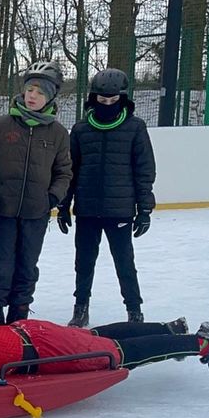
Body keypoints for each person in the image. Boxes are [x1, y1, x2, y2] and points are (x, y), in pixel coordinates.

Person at [58, 68, 157, 327]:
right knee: (84, 262)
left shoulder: (135, 128)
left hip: (120, 210)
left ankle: (134, 310)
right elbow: (70, 170)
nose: (108, 105)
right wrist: (64, 205)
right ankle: (81, 308)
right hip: (88, 210)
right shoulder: (80, 130)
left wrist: (144, 209)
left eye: (114, 101)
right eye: (103, 101)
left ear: (123, 99)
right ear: (93, 99)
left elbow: (144, 171)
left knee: (125, 262)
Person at [0, 61, 73, 325]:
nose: (33, 96)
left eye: (40, 92)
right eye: (30, 89)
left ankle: (19, 320)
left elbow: (64, 172)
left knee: (26, 268)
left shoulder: (58, 134)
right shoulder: (1, 125)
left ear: (50, 97)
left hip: (35, 214)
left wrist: (52, 198)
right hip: (1, 211)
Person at [0, 309, 209, 381]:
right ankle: (168, 330)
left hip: (42, 352)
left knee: (115, 354)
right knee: (94, 338)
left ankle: (202, 343)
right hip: (31, 333)